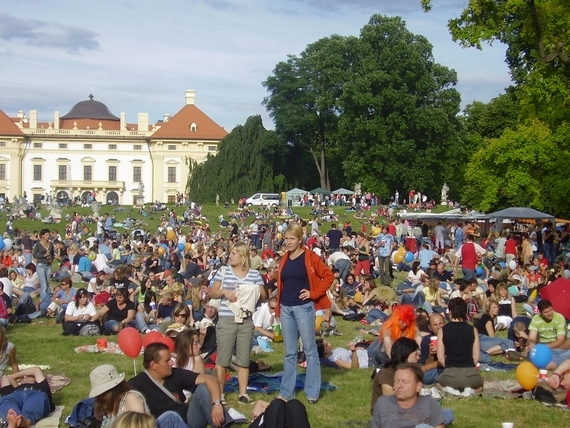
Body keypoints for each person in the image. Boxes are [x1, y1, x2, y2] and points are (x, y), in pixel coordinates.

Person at [276, 223, 334, 403]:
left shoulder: (310, 257)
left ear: (299, 239)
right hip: (286, 307)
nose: (288, 242)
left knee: (310, 350)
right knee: (289, 352)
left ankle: (312, 392)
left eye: (291, 239)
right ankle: (286, 392)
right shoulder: (285, 257)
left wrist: (314, 293)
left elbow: (328, 276)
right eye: (286, 239)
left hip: (304, 308)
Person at [209, 241, 266, 403]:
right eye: (230, 253)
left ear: (242, 256)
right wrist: (224, 292)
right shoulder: (224, 271)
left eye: (234, 253)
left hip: (246, 320)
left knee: (243, 359)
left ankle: (243, 393)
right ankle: (220, 394)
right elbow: (212, 293)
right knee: (222, 359)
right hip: (227, 319)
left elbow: (263, 296)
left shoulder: (254, 274)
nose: (230, 256)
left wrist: (251, 292)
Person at [128, 342, 232, 428]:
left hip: (188, 422)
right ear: (153, 365)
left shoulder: (175, 373)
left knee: (203, 388)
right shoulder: (136, 384)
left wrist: (216, 404)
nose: (172, 363)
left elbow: (210, 379)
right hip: (164, 424)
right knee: (170, 417)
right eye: (167, 361)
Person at [89, 364, 185, 428]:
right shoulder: (111, 405)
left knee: (170, 417)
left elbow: (140, 424)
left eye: (103, 392)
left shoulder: (130, 398)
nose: (101, 397)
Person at [372, 363, 445, 428]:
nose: (399, 386)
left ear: (418, 386)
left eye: (405, 382)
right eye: (396, 381)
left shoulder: (429, 402)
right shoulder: (383, 403)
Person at [436, 298, 483, 394]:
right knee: (480, 386)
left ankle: (449, 390)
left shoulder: (442, 330)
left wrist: (449, 366)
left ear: (450, 312)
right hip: (470, 375)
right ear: (465, 312)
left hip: (450, 375)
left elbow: (440, 358)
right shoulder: (473, 330)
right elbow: (476, 358)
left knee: (438, 383)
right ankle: (470, 391)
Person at [370, 338, 420, 413]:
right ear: (406, 355)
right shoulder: (386, 373)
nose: (418, 358)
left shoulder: (410, 372)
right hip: (385, 414)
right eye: (415, 354)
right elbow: (391, 401)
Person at [31, 228, 54, 295]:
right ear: (43, 236)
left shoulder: (51, 244)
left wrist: (51, 259)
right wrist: (44, 255)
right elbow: (34, 255)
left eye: (49, 235)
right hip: (40, 265)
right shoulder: (38, 244)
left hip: (48, 265)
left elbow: (52, 254)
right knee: (43, 284)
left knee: (47, 283)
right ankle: (43, 299)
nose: (48, 236)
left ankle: (46, 296)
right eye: (47, 235)